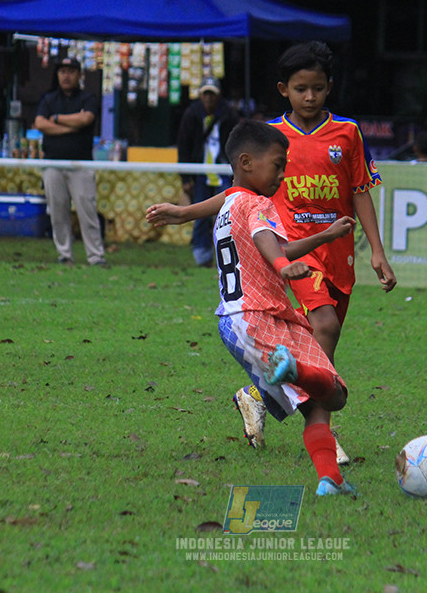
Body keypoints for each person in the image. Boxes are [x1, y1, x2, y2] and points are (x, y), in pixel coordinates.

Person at [147, 41, 397, 461]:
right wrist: (186, 213)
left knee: (321, 337)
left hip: (335, 249)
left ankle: (259, 394)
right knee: (326, 326)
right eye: (302, 88)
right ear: (285, 89)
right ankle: (324, 435)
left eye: (318, 88)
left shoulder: (348, 133)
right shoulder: (268, 138)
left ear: (329, 87)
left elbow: (360, 192)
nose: (310, 97)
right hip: (289, 248)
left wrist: (377, 250)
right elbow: (236, 196)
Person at [211, 118, 358, 496]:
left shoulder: (230, 202)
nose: (282, 174)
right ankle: (296, 371)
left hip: (266, 317)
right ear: (247, 162)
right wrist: (281, 266)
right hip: (255, 318)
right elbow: (267, 241)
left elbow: (278, 244)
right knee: (324, 398)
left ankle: (330, 479)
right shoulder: (257, 203)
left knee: (332, 397)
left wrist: (324, 235)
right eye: (277, 165)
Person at [34, 56, 106, 267]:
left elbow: (86, 119)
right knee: (57, 210)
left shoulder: (88, 98)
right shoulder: (48, 98)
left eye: (71, 71)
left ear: (80, 75)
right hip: (53, 163)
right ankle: (64, 254)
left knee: (87, 209)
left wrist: (55, 119)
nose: (66, 75)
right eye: (62, 71)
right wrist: (70, 126)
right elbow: (39, 123)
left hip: (81, 164)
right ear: (57, 75)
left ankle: (95, 256)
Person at [176, 77, 240, 267]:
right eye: (205, 94)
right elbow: (183, 146)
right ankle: (202, 256)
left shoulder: (229, 114)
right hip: (201, 171)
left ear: (218, 95)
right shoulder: (191, 114)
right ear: (200, 95)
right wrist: (185, 177)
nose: (209, 98)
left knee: (230, 215)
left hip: (224, 170)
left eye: (212, 94)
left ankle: (232, 256)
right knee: (200, 214)